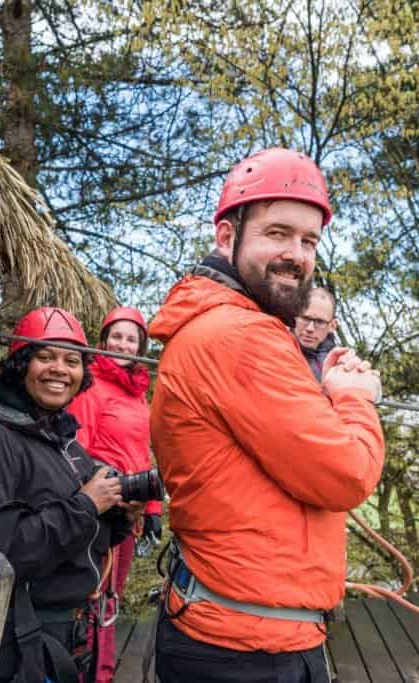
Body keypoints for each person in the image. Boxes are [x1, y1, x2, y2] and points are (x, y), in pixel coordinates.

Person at [148, 147, 386, 683]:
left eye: (309, 241)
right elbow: (346, 472)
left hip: (242, 630)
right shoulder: (241, 337)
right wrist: (352, 397)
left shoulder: (226, 327)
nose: (296, 254)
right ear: (228, 237)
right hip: (246, 648)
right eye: (277, 233)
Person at [0, 307, 141, 683]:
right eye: (45, 356)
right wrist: (85, 505)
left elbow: (88, 531)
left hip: (60, 634)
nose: (60, 370)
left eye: (72, 361)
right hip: (14, 639)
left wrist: (120, 516)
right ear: (21, 364)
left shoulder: (58, 438)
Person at [67, 305, 162, 683]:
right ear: (104, 341)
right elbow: (77, 449)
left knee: (112, 595)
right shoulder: (90, 387)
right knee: (92, 591)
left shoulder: (139, 396)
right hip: (99, 506)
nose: (123, 344)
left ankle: (102, 670)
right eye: (117, 337)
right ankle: (86, 669)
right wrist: (92, 496)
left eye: (131, 338)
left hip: (129, 510)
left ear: (140, 345)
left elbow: (143, 454)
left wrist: (151, 508)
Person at [294, 287, 338, 381]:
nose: (310, 328)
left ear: (332, 326)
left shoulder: (339, 364)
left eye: (320, 322)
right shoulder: (276, 349)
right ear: (295, 316)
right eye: (305, 318)